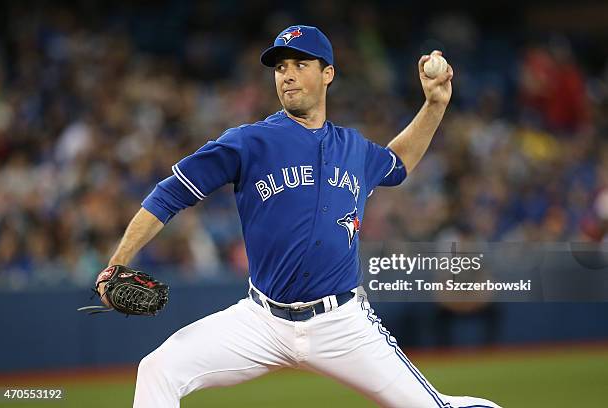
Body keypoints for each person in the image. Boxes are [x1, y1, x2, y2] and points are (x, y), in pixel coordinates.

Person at [98, 25, 500, 408]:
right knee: (158, 369)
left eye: (299, 65)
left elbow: (397, 163)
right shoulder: (249, 142)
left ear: (327, 74)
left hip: (342, 324)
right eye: (280, 67)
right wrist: (117, 263)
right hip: (261, 321)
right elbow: (168, 194)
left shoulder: (353, 148)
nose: (287, 76)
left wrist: (433, 105)